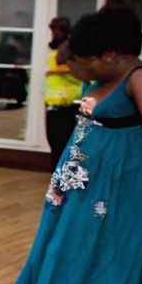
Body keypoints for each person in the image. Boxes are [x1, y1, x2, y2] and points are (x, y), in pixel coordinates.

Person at [14, 6, 142, 284]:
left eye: (87, 62)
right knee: (85, 235)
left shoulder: (138, 78)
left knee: (115, 240)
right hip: (89, 170)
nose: (81, 70)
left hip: (126, 175)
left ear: (111, 54)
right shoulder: (101, 76)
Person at [43, 16, 83, 169]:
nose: (53, 34)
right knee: (55, 143)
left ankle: (62, 181)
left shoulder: (69, 48)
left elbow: (77, 71)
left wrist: (55, 72)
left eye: (55, 30)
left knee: (63, 145)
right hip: (53, 102)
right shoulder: (54, 48)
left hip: (68, 103)